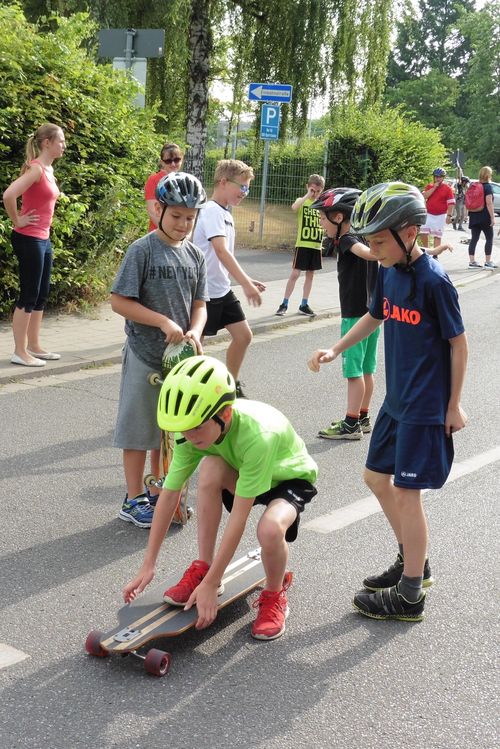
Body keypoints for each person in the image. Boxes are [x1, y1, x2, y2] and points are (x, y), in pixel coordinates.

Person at [308, 182, 468, 622]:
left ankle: (411, 594)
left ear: (410, 233)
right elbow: (375, 315)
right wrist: (336, 349)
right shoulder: (388, 270)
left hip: (425, 406)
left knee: (406, 492)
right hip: (396, 401)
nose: (373, 249)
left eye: (379, 241)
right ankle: (413, 560)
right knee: (376, 478)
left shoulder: (434, 281)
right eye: (370, 241)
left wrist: (453, 405)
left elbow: (458, 344)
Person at [123, 355, 318, 640]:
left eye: (196, 427)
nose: (189, 435)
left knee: (269, 529)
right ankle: (203, 567)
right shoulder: (191, 432)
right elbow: (169, 495)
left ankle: (274, 595)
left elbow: (238, 518)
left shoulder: (258, 435)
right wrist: (148, 564)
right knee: (211, 467)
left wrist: (215, 582)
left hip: (288, 477)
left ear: (224, 415)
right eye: (184, 428)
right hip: (243, 468)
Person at [111, 172, 209, 528]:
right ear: (158, 210)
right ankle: (133, 498)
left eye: (190, 218)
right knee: (139, 430)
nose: (183, 224)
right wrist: (162, 321)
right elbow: (119, 301)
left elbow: (200, 304)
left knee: (168, 431)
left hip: (179, 361)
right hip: (144, 354)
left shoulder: (195, 255)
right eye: (177, 215)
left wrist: (195, 330)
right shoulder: (143, 250)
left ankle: (159, 492)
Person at [192, 159, 266, 398]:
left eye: (247, 189)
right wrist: (245, 284)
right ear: (223, 182)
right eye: (242, 187)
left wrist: (247, 279)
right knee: (195, 345)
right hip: (204, 292)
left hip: (222, 290)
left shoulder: (225, 213)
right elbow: (221, 251)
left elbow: (225, 257)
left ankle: (230, 385)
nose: (244, 193)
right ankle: (193, 390)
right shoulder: (211, 210)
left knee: (243, 336)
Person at [311, 187, 380, 440]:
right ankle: (362, 417)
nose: (321, 222)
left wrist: (376, 253)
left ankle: (351, 423)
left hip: (354, 316)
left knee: (354, 373)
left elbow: (366, 254)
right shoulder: (363, 236)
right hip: (371, 316)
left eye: (323, 217)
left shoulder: (349, 239)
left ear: (338, 217)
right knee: (367, 370)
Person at [2, 123, 66, 367]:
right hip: (29, 238)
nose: (64, 145)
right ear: (46, 143)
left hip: (43, 238)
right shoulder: (36, 169)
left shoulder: (48, 169)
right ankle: (19, 352)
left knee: (41, 294)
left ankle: (34, 346)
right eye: (60, 141)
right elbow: (9, 194)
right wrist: (17, 220)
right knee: (29, 294)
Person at [275, 174, 325, 317]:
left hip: (316, 245)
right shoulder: (302, 201)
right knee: (295, 274)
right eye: (312, 190)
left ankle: (304, 304)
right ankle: (284, 304)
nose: (315, 193)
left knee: (310, 275)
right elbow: (294, 207)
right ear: (307, 187)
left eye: (318, 191)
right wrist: (307, 195)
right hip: (303, 243)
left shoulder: (321, 204)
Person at [144, 143, 183, 232]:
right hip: (159, 232)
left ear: (182, 159)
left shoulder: (184, 180)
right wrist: (169, 232)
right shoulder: (153, 180)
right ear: (162, 162)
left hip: (180, 233)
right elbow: (152, 211)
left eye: (177, 160)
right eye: (168, 161)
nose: (173, 164)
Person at [467, 166, 497, 269]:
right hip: (484, 216)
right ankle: (488, 262)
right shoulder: (488, 187)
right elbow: (489, 203)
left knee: (474, 239)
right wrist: (492, 217)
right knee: (489, 238)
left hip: (473, 215)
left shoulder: (474, 186)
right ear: (488, 175)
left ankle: (472, 262)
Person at [419, 167, 455, 249]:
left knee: (437, 235)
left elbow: (451, 203)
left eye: (440, 177)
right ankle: (426, 250)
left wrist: (449, 216)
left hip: (440, 215)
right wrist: (434, 188)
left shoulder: (447, 189)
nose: (438, 178)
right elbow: (424, 196)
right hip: (429, 214)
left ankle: (435, 253)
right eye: (436, 176)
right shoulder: (430, 186)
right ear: (434, 177)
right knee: (423, 232)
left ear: (443, 177)